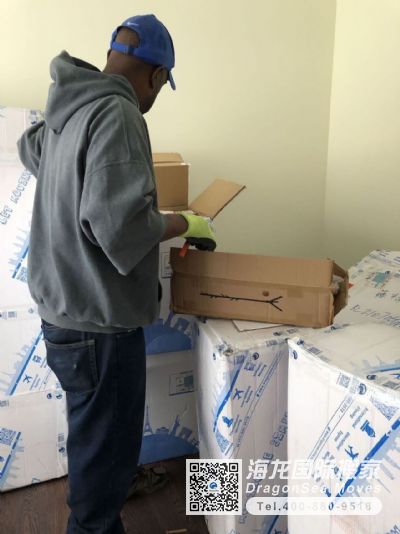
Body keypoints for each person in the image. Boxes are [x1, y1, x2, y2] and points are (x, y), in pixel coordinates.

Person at [17, 14, 216, 534]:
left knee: (94, 440)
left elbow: (29, 148)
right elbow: (120, 226)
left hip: (63, 310)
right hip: (99, 321)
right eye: (161, 87)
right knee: (104, 454)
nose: (155, 97)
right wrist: (183, 222)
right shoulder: (119, 112)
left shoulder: (69, 105)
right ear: (156, 75)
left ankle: (102, 498)